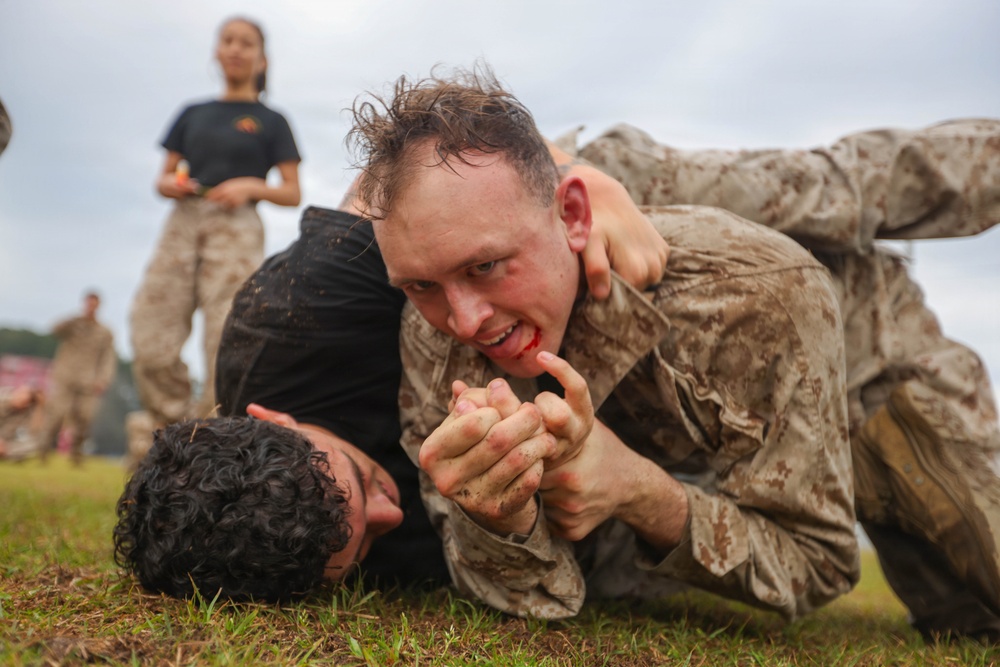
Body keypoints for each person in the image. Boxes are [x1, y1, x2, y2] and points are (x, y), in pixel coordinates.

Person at [349, 68, 1000, 642]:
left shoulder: (746, 283)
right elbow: (535, 596)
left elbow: (851, 182)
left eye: (488, 266)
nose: (462, 321)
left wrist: (635, 485)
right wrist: (503, 516)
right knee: (963, 625)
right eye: (421, 285)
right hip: (733, 447)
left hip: (879, 369)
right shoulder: (434, 319)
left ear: (574, 212)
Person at [115, 194, 668, 600]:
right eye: (362, 552)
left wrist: (585, 178)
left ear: (274, 418)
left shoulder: (298, 315)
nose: (394, 514)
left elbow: (426, 165)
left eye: (364, 480)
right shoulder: (293, 555)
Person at [129, 16, 301, 431]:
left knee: (225, 335)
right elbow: (164, 178)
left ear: (263, 59)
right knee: (150, 331)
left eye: (246, 43)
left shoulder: (271, 120)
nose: (236, 49)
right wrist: (172, 183)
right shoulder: (193, 113)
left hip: (237, 227)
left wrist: (249, 186)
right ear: (217, 51)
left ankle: (210, 434)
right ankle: (171, 428)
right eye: (228, 41)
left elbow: (292, 192)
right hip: (184, 221)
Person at [39, 292, 116, 465]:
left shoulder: (104, 332)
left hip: (88, 381)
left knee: (85, 418)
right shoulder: (73, 324)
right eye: (88, 303)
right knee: (55, 415)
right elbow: (54, 329)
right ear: (84, 304)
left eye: (94, 304)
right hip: (65, 378)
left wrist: (103, 379)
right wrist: (76, 318)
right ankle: (42, 452)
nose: (91, 307)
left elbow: (108, 358)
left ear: (99, 305)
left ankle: (76, 457)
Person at [0, 385, 45, 461]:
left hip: (7, 443)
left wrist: (39, 406)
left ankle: (4, 453)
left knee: (33, 445)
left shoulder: (26, 414)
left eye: (24, 401)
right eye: (19, 395)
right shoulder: (2, 400)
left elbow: (35, 432)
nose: (19, 398)